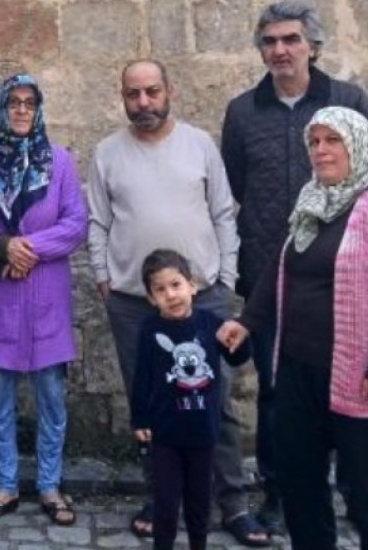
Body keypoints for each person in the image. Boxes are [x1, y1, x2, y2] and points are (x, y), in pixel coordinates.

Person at [221, 0, 368, 529]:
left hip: (345, 279)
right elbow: (231, 193)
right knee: (278, 394)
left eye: (291, 39)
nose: (280, 50)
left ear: (312, 46)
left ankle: (353, 489)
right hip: (271, 279)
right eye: (270, 41)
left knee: (346, 387)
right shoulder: (243, 112)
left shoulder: (348, 101)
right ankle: (282, 490)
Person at [86, 59, 269, 546]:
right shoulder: (107, 153)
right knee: (150, 402)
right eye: (133, 94)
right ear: (122, 96)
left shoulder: (199, 145)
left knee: (217, 401)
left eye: (151, 92)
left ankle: (231, 503)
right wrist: (105, 279)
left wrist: (225, 279)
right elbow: (98, 223)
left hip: (203, 297)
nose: (143, 103)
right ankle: (161, 497)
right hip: (133, 303)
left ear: (169, 90)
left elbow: (224, 214)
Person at [218, 107, 368, 550]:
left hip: (360, 375)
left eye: (333, 140)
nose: (322, 151)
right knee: (299, 481)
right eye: (315, 142)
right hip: (298, 369)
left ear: (359, 145)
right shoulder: (314, 200)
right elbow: (280, 267)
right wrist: (247, 321)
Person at [0, 74, 87, 526]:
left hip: (46, 298)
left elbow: (76, 224)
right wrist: (0, 245)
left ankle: (51, 485)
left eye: (29, 103)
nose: (21, 110)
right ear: (0, 109)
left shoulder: (58, 163)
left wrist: (27, 248)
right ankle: (5, 485)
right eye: (13, 102)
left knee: (51, 397)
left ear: (38, 109)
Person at [132, 249, 252, 550]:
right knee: (166, 503)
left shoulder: (211, 324)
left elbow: (237, 357)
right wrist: (140, 419)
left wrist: (240, 339)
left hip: (203, 431)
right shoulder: (150, 330)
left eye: (176, 285)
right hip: (166, 435)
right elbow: (142, 378)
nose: (171, 295)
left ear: (192, 285)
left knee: (200, 503)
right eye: (160, 290)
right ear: (150, 298)